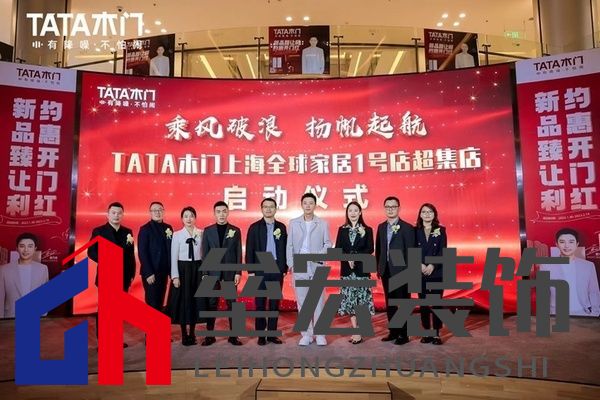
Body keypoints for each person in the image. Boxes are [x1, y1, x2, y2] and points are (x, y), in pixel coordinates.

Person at [88, 202, 136, 347]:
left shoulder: (127, 232)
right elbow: (91, 251)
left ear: (123, 215)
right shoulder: (99, 231)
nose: (116, 215)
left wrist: (132, 273)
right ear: (107, 215)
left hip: (123, 276)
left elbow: (130, 255)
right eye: (113, 213)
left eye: (119, 213)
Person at [287, 192, 332, 346]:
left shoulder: (322, 223)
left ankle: (320, 334)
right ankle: (306, 334)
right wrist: (291, 264)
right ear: (301, 205)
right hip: (300, 263)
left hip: (317, 263)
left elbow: (328, 244)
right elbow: (289, 245)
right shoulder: (294, 223)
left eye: (311, 203)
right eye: (305, 203)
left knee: (318, 301)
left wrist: (317, 256)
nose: (308, 205)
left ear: (315, 205)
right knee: (302, 301)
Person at [245, 198, 288, 345]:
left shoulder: (281, 227)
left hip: (276, 267)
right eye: (265, 207)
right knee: (260, 303)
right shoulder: (254, 227)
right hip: (260, 267)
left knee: (274, 303)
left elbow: (285, 248)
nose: (268, 209)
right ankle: (261, 335)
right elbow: (249, 249)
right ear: (261, 209)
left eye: (271, 207)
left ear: (276, 209)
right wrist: (251, 270)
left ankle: (271, 334)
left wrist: (283, 268)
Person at [201, 201, 243, 346]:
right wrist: (205, 273)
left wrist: (238, 272)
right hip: (212, 273)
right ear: (214, 213)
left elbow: (238, 252)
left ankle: (234, 336)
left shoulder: (235, 230)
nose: (221, 214)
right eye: (218, 211)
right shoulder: (208, 231)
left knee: (232, 304)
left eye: (224, 211)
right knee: (211, 304)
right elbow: (205, 253)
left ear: (228, 212)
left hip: (230, 273)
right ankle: (209, 336)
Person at [375, 196, 415, 345]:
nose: (390, 209)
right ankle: (393, 331)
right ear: (384, 208)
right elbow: (379, 249)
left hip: (402, 271)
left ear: (399, 208)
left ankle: (404, 335)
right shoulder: (381, 227)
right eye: (388, 207)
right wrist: (379, 268)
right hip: (386, 271)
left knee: (403, 303)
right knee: (390, 303)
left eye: (393, 207)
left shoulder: (407, 227)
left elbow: (411, 251)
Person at [335, 201, 375, 345]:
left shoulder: (367, 230)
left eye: (355, 210)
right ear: (347, 213)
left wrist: (355, 257)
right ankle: (356, 330)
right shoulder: (342, 230)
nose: (353, 213)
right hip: (347, 272)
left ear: (360, 212)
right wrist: (347, 258)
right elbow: (338, 249)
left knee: (361, 302)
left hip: (361, 271)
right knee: (350, 302)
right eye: (350, 210)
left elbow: (370, 249)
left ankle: (359, 330)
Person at [539, 228, 600, 317]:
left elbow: (594, 292)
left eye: (571, 242)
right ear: (556, 244)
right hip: (556, 314)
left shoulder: (588, 266)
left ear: (577, 244)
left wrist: (595, 313)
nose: (567, 246)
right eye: (562, 242)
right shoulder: (546, 266)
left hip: (583, 314)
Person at [169, 206, 203, 345]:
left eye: (191, 216)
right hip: (182, 270)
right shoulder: (177, 235)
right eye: (186, 216)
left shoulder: (201, 233)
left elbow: (204, 254)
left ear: (195, 218)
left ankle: (192, 333)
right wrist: (175, 276)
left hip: (197, 269)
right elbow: (173, 257)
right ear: (182, 219)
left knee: (195, 301)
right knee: (183, 302)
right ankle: (184, 334)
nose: (189, 219)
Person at [415, 203, 447, 345]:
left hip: (436, 271)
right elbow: (411, 249)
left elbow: (443, 251)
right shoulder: (415, 231)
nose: (427, 214)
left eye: (430, 212)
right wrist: (420, 265)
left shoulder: (441, 230)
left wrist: (432, 265)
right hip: (419, 271)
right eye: (424, 212)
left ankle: (436, 334)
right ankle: (427, 332)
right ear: (420, 214)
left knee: (436, 303)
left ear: (434, 214)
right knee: (423, 304)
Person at [0, 233, 49, 318]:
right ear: (17, 248)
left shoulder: (43, 269)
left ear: (35, 249)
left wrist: (43, 315)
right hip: (10, 318)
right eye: (22, 246)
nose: (26, 250)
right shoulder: (4, 269)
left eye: (30, 246)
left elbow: (44, 296)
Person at [138, 201, 173, 312]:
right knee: (152, 302)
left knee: (160, 301)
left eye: (160, 210)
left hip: (164, 272)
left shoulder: (168, 228)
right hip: (151, 273)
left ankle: (158, 323)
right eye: (154, 210)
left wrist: (171, 271)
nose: (157, 212)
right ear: (150, 212)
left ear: (163, 211)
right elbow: (142, 252)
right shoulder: (145, 229)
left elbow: (171, 250)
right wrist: (148, 273)